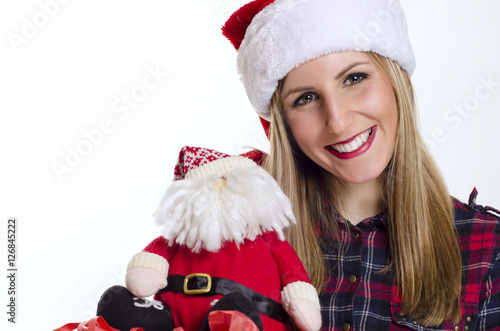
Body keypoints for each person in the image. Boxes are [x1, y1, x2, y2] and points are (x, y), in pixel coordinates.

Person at [221, 0, 500, 330]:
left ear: (399, 84)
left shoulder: (487, 249)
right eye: (305, 98)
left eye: (354, 78)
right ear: (283, 126)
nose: (338, 122)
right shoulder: (232, 237)